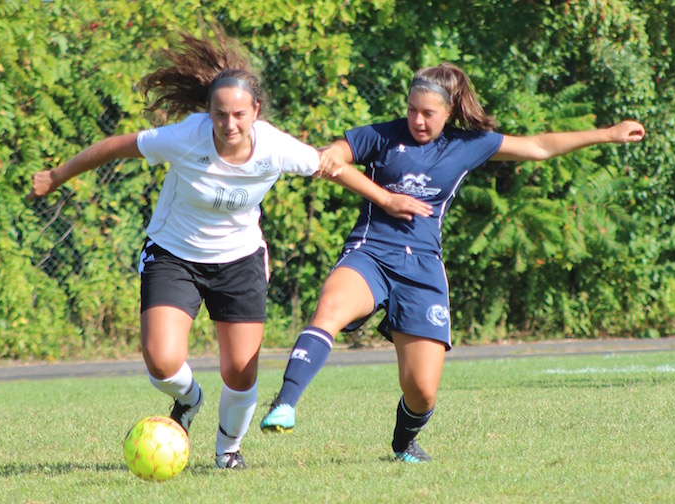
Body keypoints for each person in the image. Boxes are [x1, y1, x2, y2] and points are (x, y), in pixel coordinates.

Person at [27, 27, 430, 470]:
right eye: (220, 115)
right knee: (161, 361)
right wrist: (56, 176)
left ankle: (227, 452)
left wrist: (387, 199)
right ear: (209, 112)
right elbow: (114, 147)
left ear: (255, 110)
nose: (230, 124)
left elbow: (330, 168)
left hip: (239, 260)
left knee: (241, 370)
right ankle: (190, 399)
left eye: (239, 114)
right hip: (174, 254)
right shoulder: (184, 137)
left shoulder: (274, 147)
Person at [260, 62, 646, 463]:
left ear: (449, 112)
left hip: (423, 268)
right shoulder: (380, 136)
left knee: (423, 391)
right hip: (371, 252)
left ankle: (403, 442)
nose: (418, 120)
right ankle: (286, 403)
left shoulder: (467, 144)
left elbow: (539, 147)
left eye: (428, 113)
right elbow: (331, 159)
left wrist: (606, 135)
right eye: (412, 109)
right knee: (330, 309)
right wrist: (385, 198)